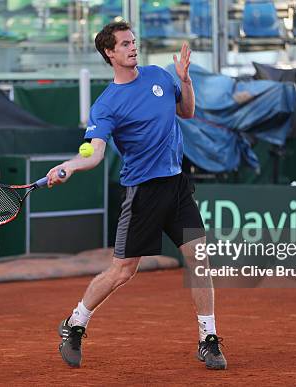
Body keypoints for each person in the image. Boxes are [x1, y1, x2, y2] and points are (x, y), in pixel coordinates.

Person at [46, 21, 226, 370]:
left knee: (200, 262)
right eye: (125, 44)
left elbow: (186, 111)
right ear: (109, 53)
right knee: (122, 272)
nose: (133, 47)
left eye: (134, 41)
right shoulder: (106, 105)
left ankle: (208, 339)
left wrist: (185, 80)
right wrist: (70, 166)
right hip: (143, 193)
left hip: (177, 186)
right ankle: (75, 323)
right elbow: (95, 153)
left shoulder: (160, 76)